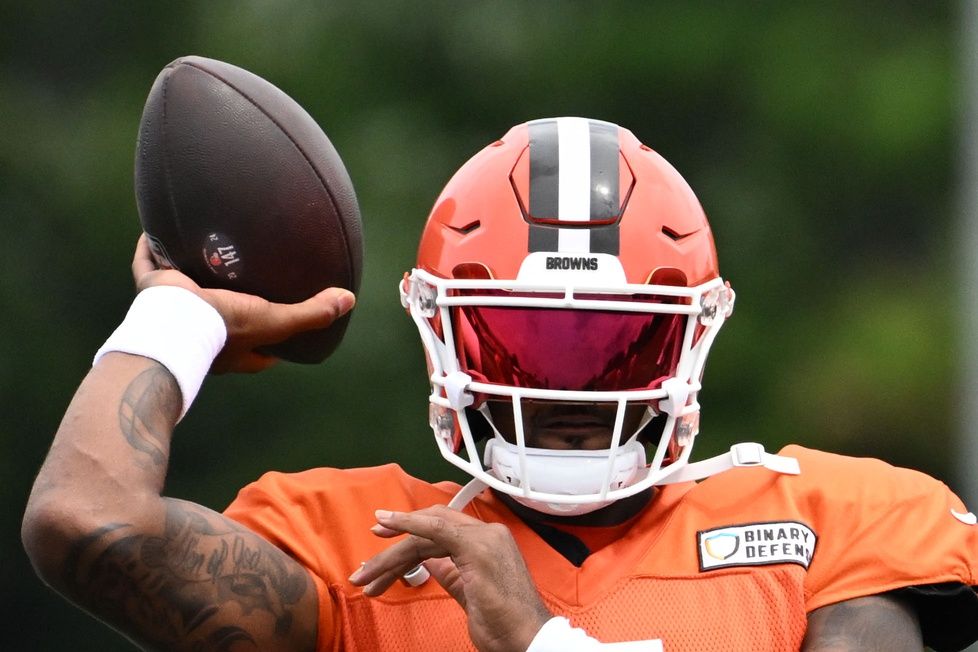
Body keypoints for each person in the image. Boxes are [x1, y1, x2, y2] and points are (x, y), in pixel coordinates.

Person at [22, 117, 978, 652]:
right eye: (522, 343)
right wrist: (181, 319)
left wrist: (539, 643)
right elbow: (83, 523)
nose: (566, 393)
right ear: (444, 335)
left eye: (613, 348)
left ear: (690, 341)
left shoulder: (835, 523)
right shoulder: (351, 552)